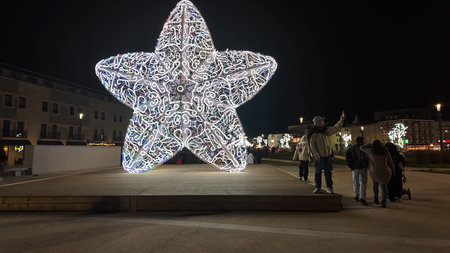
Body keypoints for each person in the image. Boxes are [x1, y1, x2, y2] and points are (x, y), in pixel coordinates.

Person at [309, 114, 345, 194]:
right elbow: (312, 146)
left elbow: (334, 128)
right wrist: (316, 155)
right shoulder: (313, 134)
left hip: (327, 155)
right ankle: (317, 187)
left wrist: (341, 121)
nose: (323, 122)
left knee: (328, 172)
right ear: (317, 122)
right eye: (322, 121)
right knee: (318, 172)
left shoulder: (325, 131)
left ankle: (329, 187)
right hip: (319, 157)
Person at [360, 140, 395, 208]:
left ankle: (376, 199)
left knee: (375, 185)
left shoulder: (371, 152)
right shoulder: (386, 152)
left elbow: (361, 148)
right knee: (384, 186)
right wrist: (393, 171)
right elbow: (391, 162)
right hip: (385, 171)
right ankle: (383, 201)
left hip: (374, 172)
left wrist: (369, 144)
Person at [345, 137, 369, 205]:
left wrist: (351, 166)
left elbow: (347, 158)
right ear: (361, 141)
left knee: (356, 182)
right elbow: (366, 158)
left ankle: (356, 195)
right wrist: (365, 166)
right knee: (363, 183)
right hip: (362, 168)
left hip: (354, 168)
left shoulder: (351, 149)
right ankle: (362, 197)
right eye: (363, 141)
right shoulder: (364, 149)